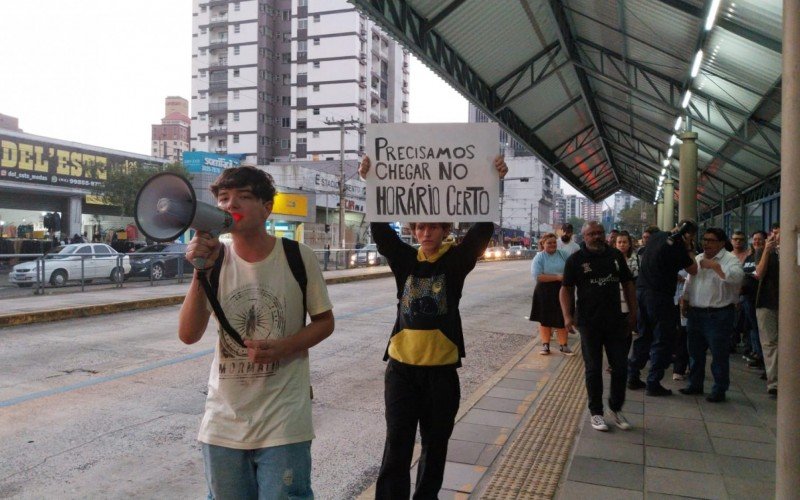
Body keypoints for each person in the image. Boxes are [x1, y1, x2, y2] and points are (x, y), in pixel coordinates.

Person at [177, 166, 335, 499]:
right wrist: (199, 272)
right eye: (223, 198)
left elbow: (325, 322)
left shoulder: (297, 257)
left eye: (244, 197)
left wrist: (284, 347)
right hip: (224, 421)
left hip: (284, 419)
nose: (230, 204)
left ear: (267, 206)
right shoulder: (215, 262)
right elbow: (188, 334)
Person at [358, 154, 507, 499]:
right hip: (401, 371)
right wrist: (371, 183)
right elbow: (380, 230)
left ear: (445, 230)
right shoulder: (405, 260)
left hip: (441, 373)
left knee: (435, 445)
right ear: (413, 230)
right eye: (420, 228)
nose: (426, 233)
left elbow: (482, 230)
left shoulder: (456, 262)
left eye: (434, 227)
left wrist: (495, 182)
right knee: (397, 444)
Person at [560, 221, 637, 432]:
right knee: (593, 369)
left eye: (600, 233)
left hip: (615, 321)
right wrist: (567, 316)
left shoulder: (615, 256)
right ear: (584, 236)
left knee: (620, 367)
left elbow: (628, 284)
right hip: (589, 323)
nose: (597, 237)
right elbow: (565, 289)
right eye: (592, 234)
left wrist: (633, 312)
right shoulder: (576, 260)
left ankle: (615, 408)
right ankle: (596, 413)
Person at [628, 220, 698, 396]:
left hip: (642, 292)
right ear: (688, 234)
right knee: (662, 338)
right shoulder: (678, 247)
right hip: (660, 296)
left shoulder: (656, 237)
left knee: (644, 335)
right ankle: (653, 382)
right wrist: (688, 247)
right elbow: (694, 269)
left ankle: (632, 375)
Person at [678, 228, 743, 402]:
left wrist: (715, 267)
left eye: (711, 240)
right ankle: (695, 384)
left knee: (718, 354)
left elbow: (737, 279)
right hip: (696, 313)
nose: (706, 243)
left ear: (721, 243)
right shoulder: (698, 258)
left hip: (719, 315)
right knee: (695, 353)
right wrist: (684, 300)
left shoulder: (730, 260)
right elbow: (689, 282)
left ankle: (719, 389)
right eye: (704, 240)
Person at [530, 233, 571, 355]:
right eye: (549, 243)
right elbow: (538, 276)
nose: (552, 245)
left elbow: (571, 269)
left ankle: (564, 345)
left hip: (562, 290)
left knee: (562, 317)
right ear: (543, 244)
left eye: (554, 242)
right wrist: (558, 277)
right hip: (544, 290)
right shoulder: (539, 257)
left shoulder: (563, 255)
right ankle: (545, 345)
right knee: (544, 319)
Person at [754, 222, 780, 396]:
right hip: (766, 301)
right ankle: (774, 383)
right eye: (774, 233)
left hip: (788, 302)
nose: (776, 236)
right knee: (770, 343)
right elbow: (759, 273)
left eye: (779, 233)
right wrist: (766, 251)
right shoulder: (763, 251)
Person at [742, 230, 766, 369]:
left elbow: (758, 273)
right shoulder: (749, 256)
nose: (756, 241)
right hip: (747, 297)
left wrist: (749, 273)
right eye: (754, 239)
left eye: (759, 239)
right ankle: (757, 353)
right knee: (751, 327)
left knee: (759, 327)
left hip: (758, 297)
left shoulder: (764, 256)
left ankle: (762, 357)